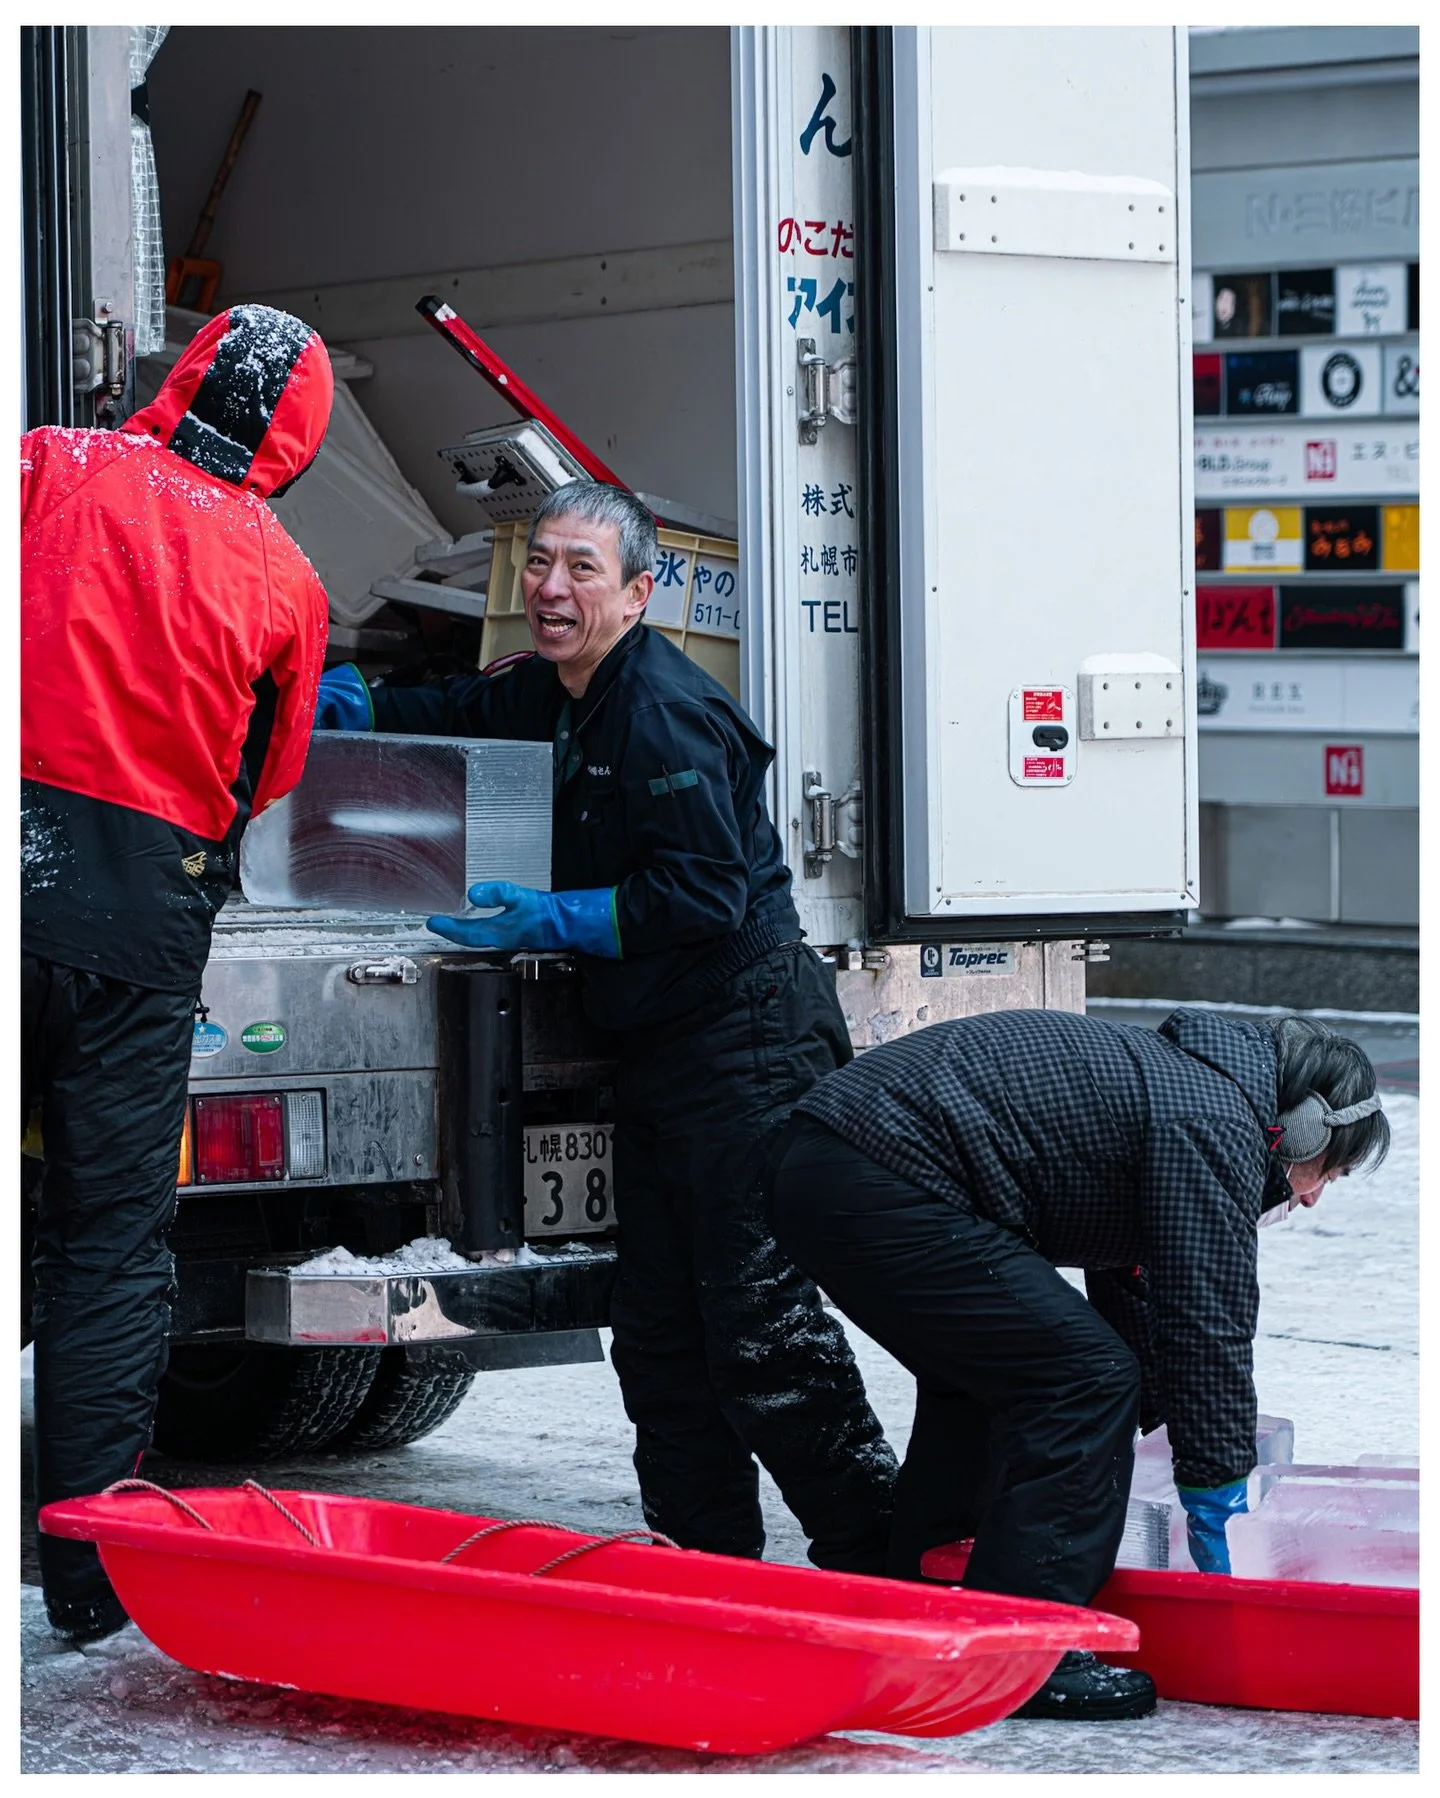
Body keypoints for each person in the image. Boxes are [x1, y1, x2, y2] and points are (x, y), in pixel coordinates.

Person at [314, 479, 896, 1570]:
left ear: (637, 591)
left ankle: (883, 1558)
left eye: (582, 568)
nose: (549, 586)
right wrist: (356, 705)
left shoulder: (658, 709)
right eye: (540, 562)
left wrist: (560, 915)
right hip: (662, 1050)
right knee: (662, 1337)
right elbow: (462, 713)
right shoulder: (556, 688)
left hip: (746, 1041)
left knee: (761, 1331)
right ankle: (707, 1564)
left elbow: (706, 890)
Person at [764, 1007, 1387, 1720]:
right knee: (1083, 1379)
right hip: (878, 1176)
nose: (1310, 1196)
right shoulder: (1211, 1120)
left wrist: (1160, 1434)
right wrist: (1216, 1485)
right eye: (1325, 1172)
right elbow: (1208, 1321)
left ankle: (927, 1601)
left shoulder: (1186, 1091)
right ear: (1300, 1128)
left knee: (994, 1381)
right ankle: (1025, 1651)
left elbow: (1143, 1290)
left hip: (830, 1168)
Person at [21, 304, 334, 1643]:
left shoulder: (48, 465)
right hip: (142, 925)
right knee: (109, 1246)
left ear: (190, 372)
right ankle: (90, 1573)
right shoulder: (288, 581)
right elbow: (271, 774)